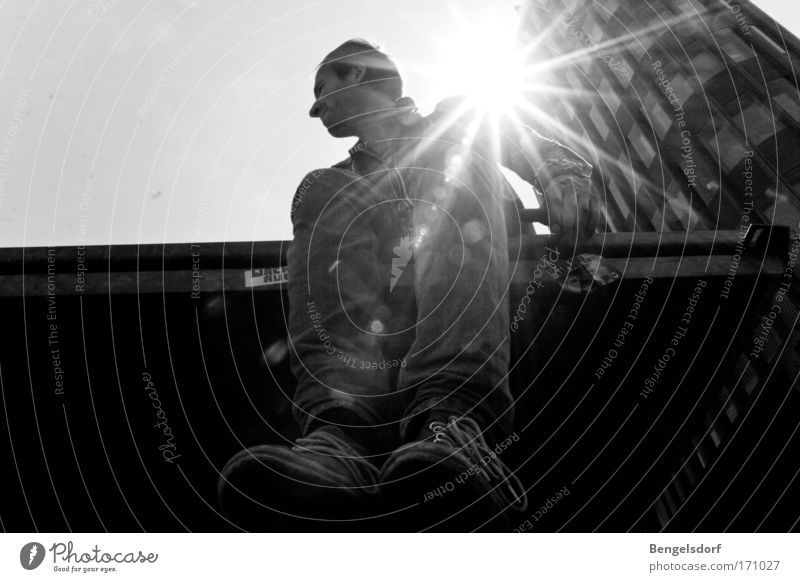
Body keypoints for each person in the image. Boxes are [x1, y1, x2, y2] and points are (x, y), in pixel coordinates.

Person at [219, 38, 601, 531]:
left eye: (321, 88)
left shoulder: (452, 120)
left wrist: (563, 176)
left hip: (490, 287)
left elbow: (537, 149)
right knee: (322, 187)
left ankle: (453, 420)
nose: (315, 110)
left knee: (446, 153)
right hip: (391, 316)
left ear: (355, 73)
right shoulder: (341, 181)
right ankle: (345, 435)